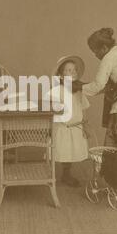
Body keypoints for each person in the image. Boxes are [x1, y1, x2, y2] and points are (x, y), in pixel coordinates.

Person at [48, 56, 90, 187]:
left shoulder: (79, 92)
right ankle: (51, 174)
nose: (72, 73)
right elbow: (53, 111)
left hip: (75, 126)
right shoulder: (56, 91)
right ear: (61, 75)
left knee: (70, 151)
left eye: (74, 71)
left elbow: (83, 108)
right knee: (62, 150)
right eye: (68, 70)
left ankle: (67, 174)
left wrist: (84, 126)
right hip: (62, 127)